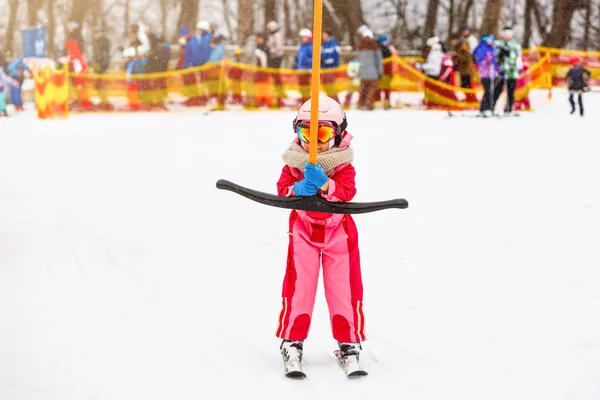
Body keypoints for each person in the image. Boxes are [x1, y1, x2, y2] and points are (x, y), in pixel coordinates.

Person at [276, 95, 365, 372]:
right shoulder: (294, 161)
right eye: (306, 132)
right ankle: (292, 341)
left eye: (322, 132)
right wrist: (298, 189)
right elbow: (283, 190)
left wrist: (326, 185)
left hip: (339, 235)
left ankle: (349, 342)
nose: (313, 141)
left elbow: (347, 192)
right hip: (303, 232)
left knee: (343, 289)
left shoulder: (342, 164)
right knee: (300, 288)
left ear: (337, 133)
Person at [494, 26, 522, 115]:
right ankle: (491, 107)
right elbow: (494, 57)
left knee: (510, 91)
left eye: (509, 34)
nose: (507, 36)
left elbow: (518, 58)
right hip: (501, 72)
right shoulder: (499, 44)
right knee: (497, 90)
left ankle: (509, 108)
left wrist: (511, 57)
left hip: (512, 72)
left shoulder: (516, 45)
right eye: (505, 34)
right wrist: (500, 55)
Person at [356, 29, 383, 110]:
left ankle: (361, 104)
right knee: (371, 89)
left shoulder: (359, 46)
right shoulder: (375, 47)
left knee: (362, 89)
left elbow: (357, 60)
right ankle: (368, 104)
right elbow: (378, 61)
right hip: (373, 73)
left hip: (362, 72)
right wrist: (380, 72)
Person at [473, 35, 499, 117]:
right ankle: (484, 108)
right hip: (484, 73)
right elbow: (479, 60)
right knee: (487, 90)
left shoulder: (492, 48)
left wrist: (496, 67)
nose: (491, 41)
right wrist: (487, 61)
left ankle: (488, 108)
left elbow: (494, 60)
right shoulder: (482, 47)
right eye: (489, 40)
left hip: (491, 73)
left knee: (491, 91)